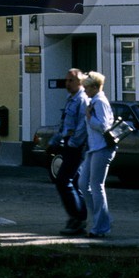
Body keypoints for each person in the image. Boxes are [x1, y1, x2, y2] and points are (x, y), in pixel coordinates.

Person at [50, 68, 90, 233]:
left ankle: (78, 218)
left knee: (63, 180)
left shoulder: (83, 100)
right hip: (68, 144)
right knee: (73, 182)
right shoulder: (70, 99)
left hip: (76, 146)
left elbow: (83, 126)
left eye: (71, 80)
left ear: (80, 82)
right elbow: (65, 123)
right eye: (66, 80)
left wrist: (73, 143)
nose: (67, 84)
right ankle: (78, 217)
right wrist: (55, 140)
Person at [80, 71, 117, 238]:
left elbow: (103, 125)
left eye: (86, 87)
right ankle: (104, 217)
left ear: (95, 87)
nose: (84, 90)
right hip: (93, 148)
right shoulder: (93, 101)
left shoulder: (100, 102)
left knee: (96, 186)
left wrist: (89, 118)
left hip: (102, 148)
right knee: (82, 184)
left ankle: (100, 227)